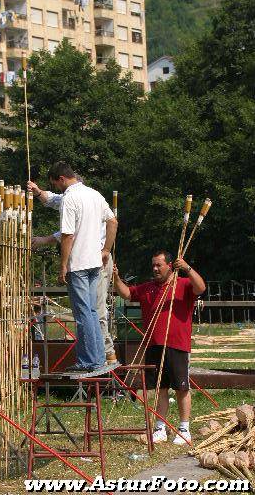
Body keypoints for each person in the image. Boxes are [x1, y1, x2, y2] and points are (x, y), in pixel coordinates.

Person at [31, 162, 118, 374]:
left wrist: (63, 265)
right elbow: (113, 222)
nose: (58, 188)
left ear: (61, 179)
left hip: (78, 264)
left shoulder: (70, 198)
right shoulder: (94, 195)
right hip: (95, 263)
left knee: (83, 314)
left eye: (55, 184)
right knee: (91, 311)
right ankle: (97, 357)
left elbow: (68, 235)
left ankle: (90, 360)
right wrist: (106, 249)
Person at [113, 250, 206, 445]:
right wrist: (116, 277)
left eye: (159, 265)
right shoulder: (148, 288)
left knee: (181, 388)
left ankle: (184, 428)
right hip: (153, 345)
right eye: (153, 265)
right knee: (159, 388)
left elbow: (201, 287)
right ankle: (160, 428)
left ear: (170, 265)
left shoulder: (182, 284)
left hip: (177, 345)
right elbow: (127, 293)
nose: (155, 268)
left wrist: (187, 268)